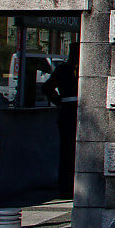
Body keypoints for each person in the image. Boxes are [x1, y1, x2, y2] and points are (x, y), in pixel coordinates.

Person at [41, 44, 79, 199]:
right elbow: (47, 88)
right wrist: (61, 102)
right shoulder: (64, 69)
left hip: (72, 109)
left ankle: (71, 186)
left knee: (71, 151)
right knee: (68, 150)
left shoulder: (69, 68)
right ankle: (66, 187)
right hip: (70, 110)